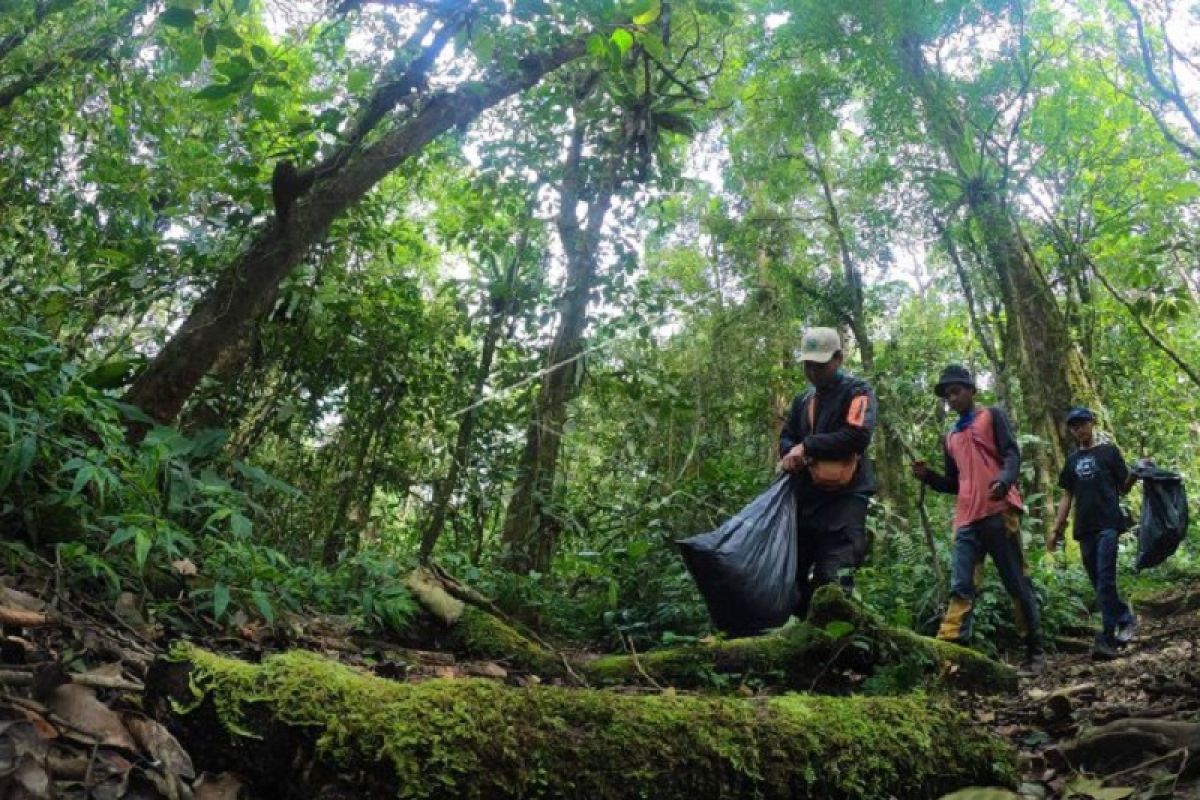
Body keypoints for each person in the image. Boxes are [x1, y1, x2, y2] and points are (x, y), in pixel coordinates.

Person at [910, 365, 1045, 676]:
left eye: (955, 391)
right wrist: (928, 476)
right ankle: (950, 657)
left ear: (971, 390)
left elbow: (1011, 454)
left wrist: (1004, 480)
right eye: (947, 395)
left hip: (999, 513)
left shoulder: (991, 416)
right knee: (961, 586)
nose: (951, 398)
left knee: (1016, 582)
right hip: (967, 520)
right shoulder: (951, 436)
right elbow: (955, 483)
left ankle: (1035, 652)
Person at [778, 327, 877, 617]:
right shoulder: (802, 400)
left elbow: (857, 436)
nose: (813, 372)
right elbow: (786, 437)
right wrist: (790, 453)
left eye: (819, 365)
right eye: (808, 365)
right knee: (791, 574)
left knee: (834, 576)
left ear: (838, 358)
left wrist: (807, 446)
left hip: (845, 499)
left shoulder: (858, 392)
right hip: (806, 500)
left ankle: (838, 649)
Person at [1049, 406, 1139, 660]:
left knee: (1105, 577)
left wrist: (1137, 473)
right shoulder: (1072, 462)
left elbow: (1123, 487)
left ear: (1092, 424)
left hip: (1109, 523)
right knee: (1098, 582)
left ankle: (1106, 639)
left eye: (1082, 424)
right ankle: (1125, 617)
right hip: (1084, 528)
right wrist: (1056, 529)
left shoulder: (1109, 452)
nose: (1079, 429)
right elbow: (1067, 495)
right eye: (1074, 426)